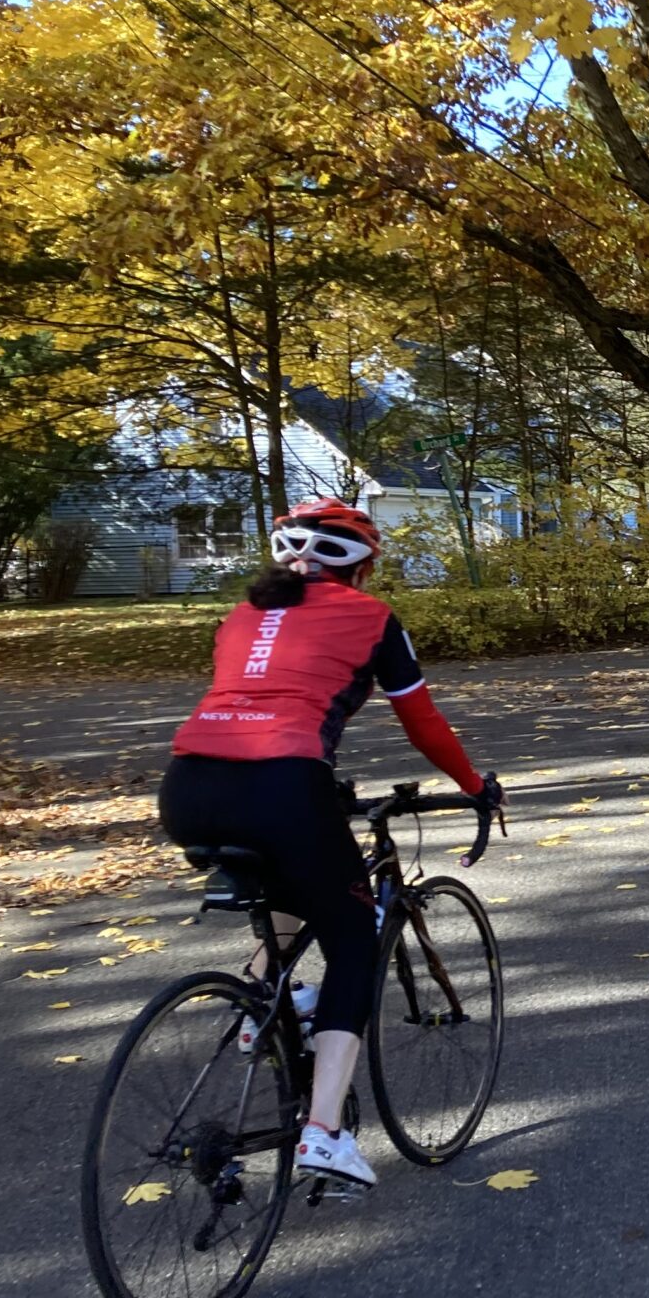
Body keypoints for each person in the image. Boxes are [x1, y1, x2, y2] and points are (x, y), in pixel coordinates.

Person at [159, 497, 500, 1192]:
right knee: (352, 939)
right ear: (365, 566)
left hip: (188, 788)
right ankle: (324, 1134)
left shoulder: (242, 614)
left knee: (292, 881)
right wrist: (472, 785)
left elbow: (260, 697)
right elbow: (423, 723)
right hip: (282, 785)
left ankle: (264, 1004)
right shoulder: (373, 618)